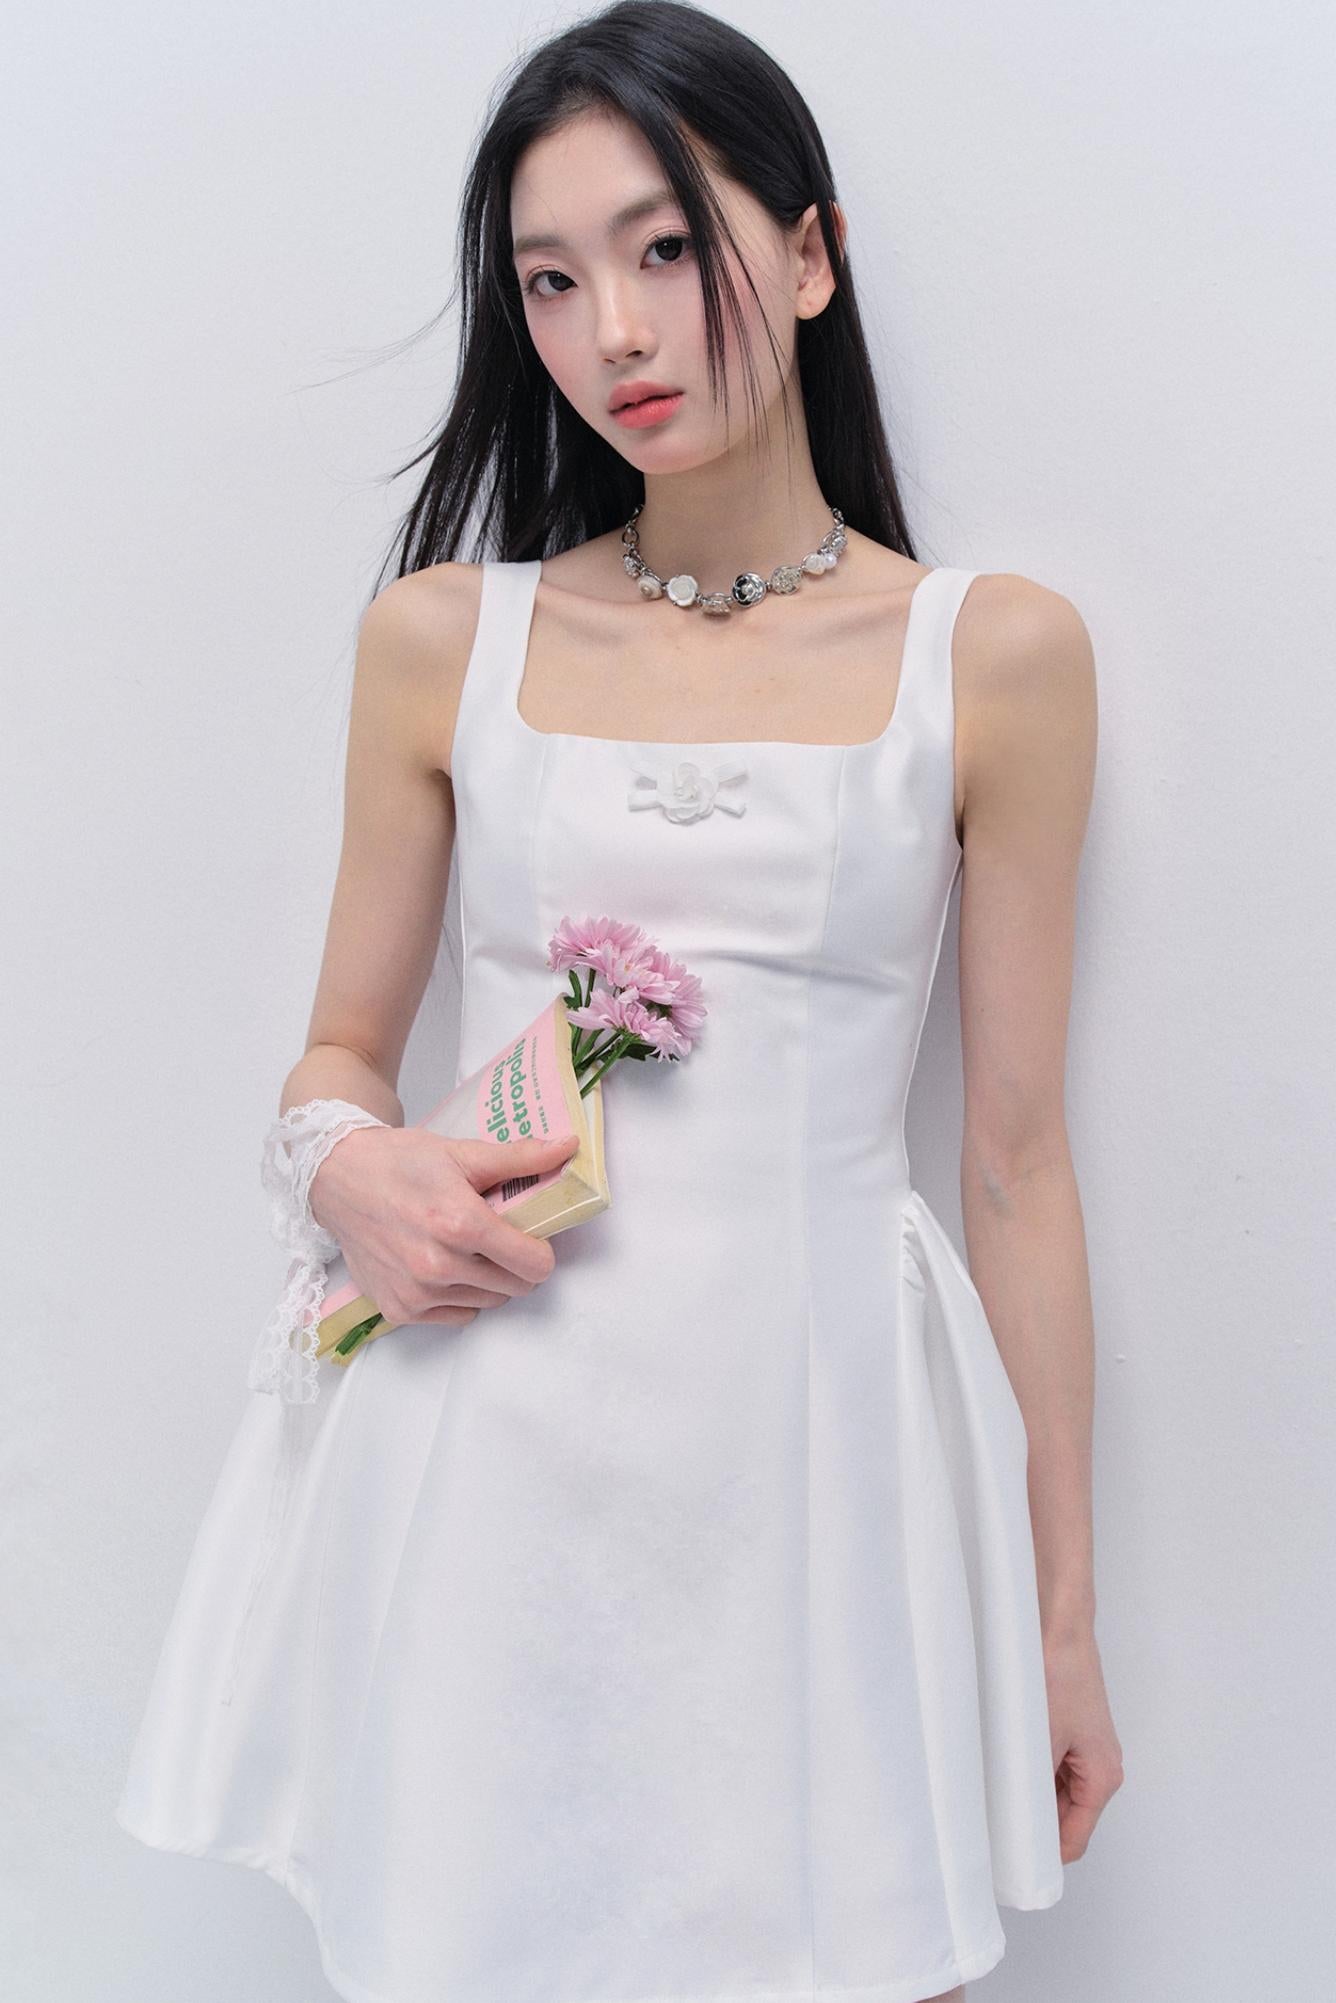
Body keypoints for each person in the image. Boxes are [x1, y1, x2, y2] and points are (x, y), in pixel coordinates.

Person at [117, 5, 1122, 1999]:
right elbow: (338, 1055)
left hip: (819, 1456)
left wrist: (1062, 1616)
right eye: (552, 282)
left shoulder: (993, 657)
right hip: (490, 1436)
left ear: (810, 256)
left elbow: (1013, 1165)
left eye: (667, 248)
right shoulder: (443, 642)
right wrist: (349, 1174)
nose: (618, 333)